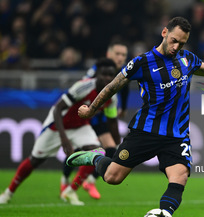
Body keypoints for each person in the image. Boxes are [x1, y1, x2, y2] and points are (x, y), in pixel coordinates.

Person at [66, 17, 204, 217]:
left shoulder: (187, 59)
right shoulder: (142, 62)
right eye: (174, 40)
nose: (176, 47)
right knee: (113, 178)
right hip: (146, 131)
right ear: (164, 33)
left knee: (180, 177)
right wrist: (92, 109)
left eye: (182, 43)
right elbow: (113, 86)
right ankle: (96, 157)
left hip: (177, 135)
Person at [0, 58, 117, 206]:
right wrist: (64, 139)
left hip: (80, 127)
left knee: (97, 152)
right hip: (57, 125)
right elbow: (58, 109)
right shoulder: (83, 87)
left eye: (110, 75)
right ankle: (8, 193)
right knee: (35, 160)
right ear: (96, 74)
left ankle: (70, 191)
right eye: (104, 74)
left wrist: (117, 142)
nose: (107, 78)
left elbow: (111, 119)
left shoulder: (112, 95)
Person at [61, 42, 128, 199]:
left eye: (123, 55)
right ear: (108, 54)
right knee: (80, 151)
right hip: (86, 117)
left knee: (111, 150)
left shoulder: (126, 71)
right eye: (117, 54)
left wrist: (123, 108)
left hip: (102, 117)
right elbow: (83, 90)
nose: (120, 58)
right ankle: (65, 180)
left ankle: (87, 182)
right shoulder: (97, 71)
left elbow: (124, 89)